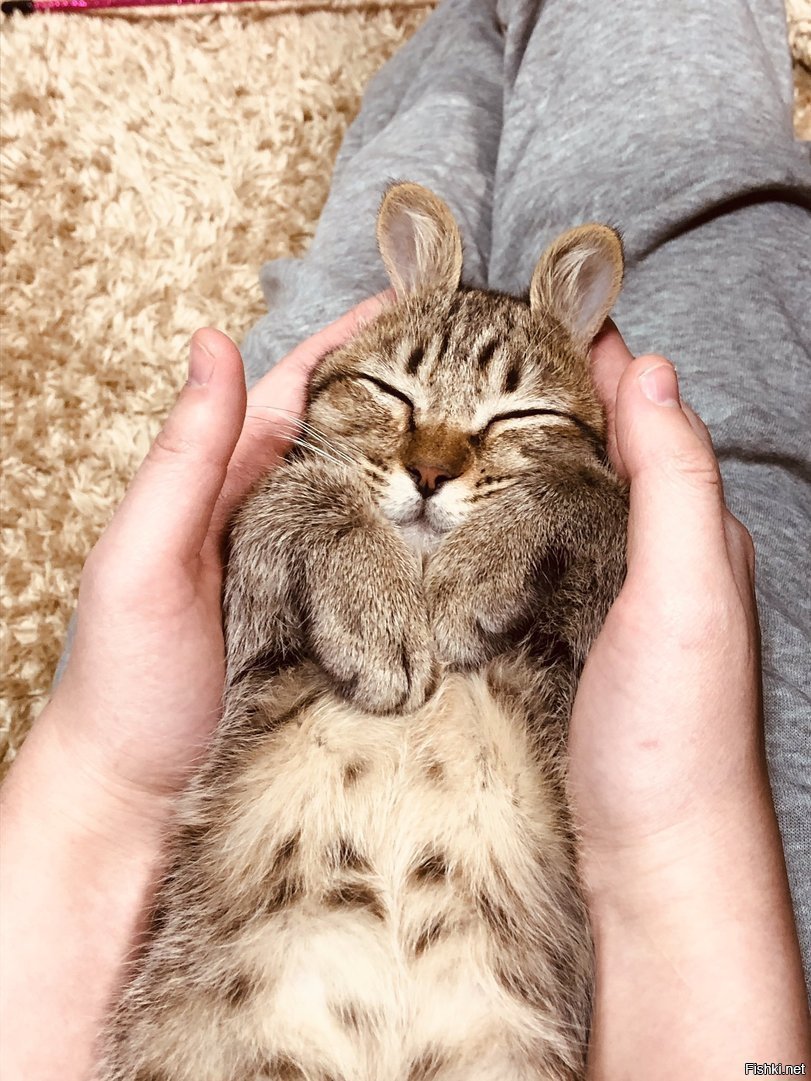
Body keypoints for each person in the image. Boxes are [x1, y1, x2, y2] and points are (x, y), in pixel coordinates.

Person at [2, 0, 810, 1077]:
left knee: (334, 300)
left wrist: (96, 767)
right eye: (397, 403)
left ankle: (466, 24)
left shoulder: (324, 503)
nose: (432, 458)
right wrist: (685, 834)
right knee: (721, 247)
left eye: (511, 422)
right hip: (636, 930)